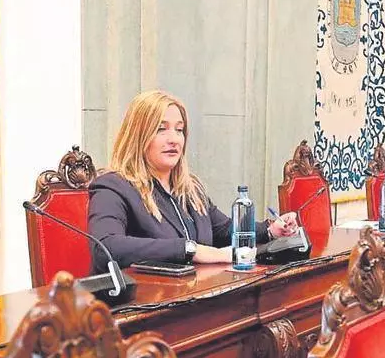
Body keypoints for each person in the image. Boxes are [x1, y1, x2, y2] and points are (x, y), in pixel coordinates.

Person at [88, 90, 300, 273]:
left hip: (199, 294)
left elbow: (223, 231)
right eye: (161, 129)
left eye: (179, 130)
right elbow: (106, 248)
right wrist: (191, 250)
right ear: (138, 136)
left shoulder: (190, 189)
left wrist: (271, 230)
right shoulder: (113, 187)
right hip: (145, 302)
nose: (174, 139)